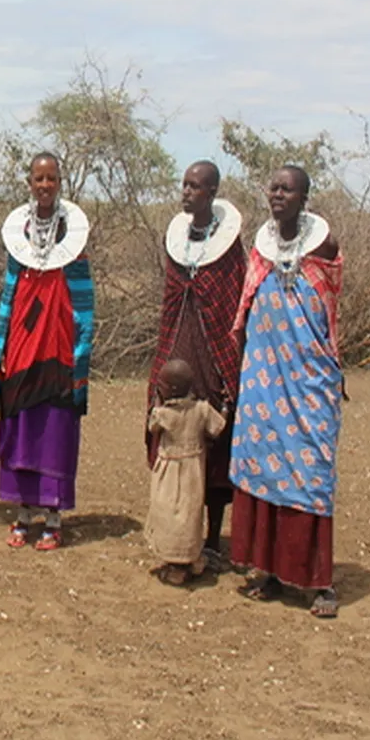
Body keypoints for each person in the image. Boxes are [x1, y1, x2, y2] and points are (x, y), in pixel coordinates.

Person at [230, 165, 345, 618]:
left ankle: (318, 581)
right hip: (263, 379)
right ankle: (268, 570)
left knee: (310, 467)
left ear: (304, 197)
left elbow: (327, 305)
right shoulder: (260, 250)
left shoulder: (324, 248)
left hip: (307, 379)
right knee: (261, 461)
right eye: (274, 188)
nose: (278, 195)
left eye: (288, 189)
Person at [0, 152, 95, 551]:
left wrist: (80, 350)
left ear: (60, 183)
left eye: (51, 178)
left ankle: (53, 519)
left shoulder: (74, 238)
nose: (45, 185)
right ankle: (22, 514)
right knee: (21, 427)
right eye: (38, 178)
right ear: (29, 183)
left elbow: (85, 302)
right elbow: (8, 294)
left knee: (55, 429)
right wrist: (0, 349)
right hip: (21, 347)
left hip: (58, 349)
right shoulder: (19, 234)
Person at [148, 160, 245, 567]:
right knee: (171, 437)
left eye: (195, 186)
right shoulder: (176, 242)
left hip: (213, 354)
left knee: (214, 441)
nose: (186, 192)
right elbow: (172, 299)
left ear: (212, 193)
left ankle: (211, 535)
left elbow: (231, 302)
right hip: (177, 346)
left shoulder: (228, 251)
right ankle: (172, 529)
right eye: (184, 184)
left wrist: (225, 361)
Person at [146, 359, 228, 586]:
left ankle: (175, 565)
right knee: (190, 516)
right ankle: (189, 557)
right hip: (193, 475)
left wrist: (157, 402)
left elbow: (152, 426)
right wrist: (225, 408)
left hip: (168, 475)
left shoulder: (163, 414)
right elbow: (218, 427)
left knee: (168, 513)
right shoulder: (201, 410)